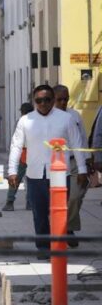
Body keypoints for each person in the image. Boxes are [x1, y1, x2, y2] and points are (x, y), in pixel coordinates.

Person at [7, 85, 87, 257]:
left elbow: (77, 144)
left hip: (60, 174)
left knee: (59, 213)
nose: (43, 103)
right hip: (35, 174)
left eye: (47, 100)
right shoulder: (25, 121)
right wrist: (12, 171)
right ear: (34, 101)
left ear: (53, 100)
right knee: (39, 213)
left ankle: (58, 246)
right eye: (39, 100)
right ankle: (43, 248)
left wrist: (82, 169)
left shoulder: (66, 119)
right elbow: (16, 146)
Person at [53, 85, 89, 238]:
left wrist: (87, 162)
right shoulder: (47, 118)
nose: (63, 102)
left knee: (75, 196)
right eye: (59, 99)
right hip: (56, 164)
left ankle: (67, 227)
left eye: (65, 99)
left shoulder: (74, 116)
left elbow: (82, 138)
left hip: (75, 162)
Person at [2, 102, 34, 211]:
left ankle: (9, 202)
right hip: (33, 154)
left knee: (15, 179)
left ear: (22, 112)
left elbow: (16, 141)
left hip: (22, 155)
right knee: (30, 180)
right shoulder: (36, 121)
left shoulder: (21, 121)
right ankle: (29, 203)